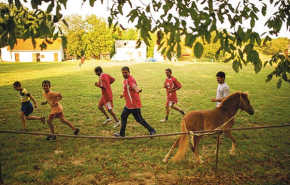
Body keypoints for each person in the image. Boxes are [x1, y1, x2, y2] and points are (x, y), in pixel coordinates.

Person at [114, 66, 156, 137]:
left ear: (129, 72)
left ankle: (152, 130)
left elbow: (133, 86)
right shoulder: (125, 79)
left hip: (134, 104)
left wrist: (137, 90)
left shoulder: (130, 79)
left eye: (126, 72)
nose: (124, 74)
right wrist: (123, 95)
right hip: (128, 104)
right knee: (123, 116)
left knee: (139, 119)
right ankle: (122, 134)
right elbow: (128, 90)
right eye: (123, 72)